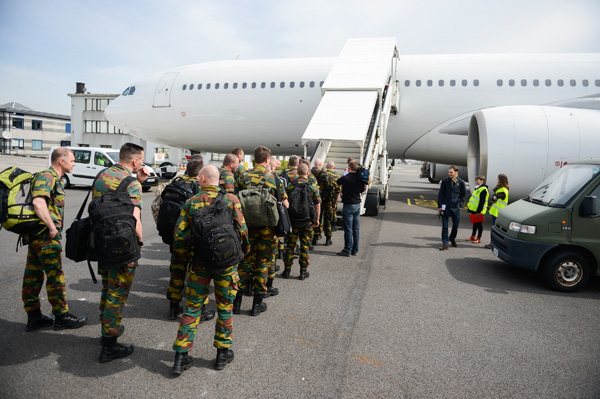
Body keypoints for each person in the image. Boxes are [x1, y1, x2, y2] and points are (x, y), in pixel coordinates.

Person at [171, 165, 250, 374]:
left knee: (193, 307)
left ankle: (181, 357)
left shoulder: (191, 203)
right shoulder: (231, 200)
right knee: (225, 307)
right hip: (226, 265)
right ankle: (222, 355)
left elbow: (179, 237)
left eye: (199, 178)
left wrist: (186, 258)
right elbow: (242, 230)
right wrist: (240, 254)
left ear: (204, 178)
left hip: (199, 264)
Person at [92, 142, 148, 363]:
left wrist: (138, 182)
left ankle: (107, 328)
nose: (142, 164)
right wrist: (140, 243)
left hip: (101, 241)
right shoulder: (132, 184)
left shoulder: (102, 175)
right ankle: (109, 345)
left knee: (108, 287)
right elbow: (134, 219)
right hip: (123, 245)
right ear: (134, 161)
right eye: (141, 160)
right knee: (118, 292)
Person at [23, 148, 88, 332]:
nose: (74, 163)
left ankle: (34, 317)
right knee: (55, 276)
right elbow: (38, 202)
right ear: (61, 161)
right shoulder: (48, 176)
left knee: (33, 275)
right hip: (45, 237)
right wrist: (52, 227)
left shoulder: (52, 178)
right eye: (73, 160)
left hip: (38, 237)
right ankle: (62, 316)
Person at [234, 146, 288, 317]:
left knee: (244, 264)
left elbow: (235, 201)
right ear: (267, 160)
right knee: (263, 264)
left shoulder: (243, 177)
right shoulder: (274, 179)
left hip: (246, 229)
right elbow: (284, 203)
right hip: (267, 231)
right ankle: (257, 305)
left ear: (253, 159)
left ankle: (236, 303)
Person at [165, 159, 215, 323]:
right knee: (198, 277)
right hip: (196, 241)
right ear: (201, 175)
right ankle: (201, 309)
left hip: (177, 236)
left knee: (177, 272)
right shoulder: (198, 189)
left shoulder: (176, 182)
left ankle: (173, 307)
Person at [282, 163, 321, 279]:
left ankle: (287, 270)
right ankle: (303, 272)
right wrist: (317, 219)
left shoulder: (290, 185)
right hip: (307, 221)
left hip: (293, 220)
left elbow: (285, 202)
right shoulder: (313, 186)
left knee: (290, 245)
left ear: (297, 173)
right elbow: (317, 204)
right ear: (307, 173)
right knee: (305, 246)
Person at [151, 154, 204, 223]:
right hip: (185, 230)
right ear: (200, 171)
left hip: (167, 227)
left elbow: (155, 205)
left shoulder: (173, 182)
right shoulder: (200, 186)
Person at [336, 160, 366, 256]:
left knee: (348, 229)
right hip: (357, 205)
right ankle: (355, 250)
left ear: (349, 168)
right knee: (356, 229)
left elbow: (338, 181)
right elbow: (362, 189)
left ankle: (347, 249)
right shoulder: (360, 179)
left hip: (348, 205)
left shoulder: (345, 178)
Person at [437, 165, 467, 251]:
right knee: (445, 226)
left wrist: (460, 204)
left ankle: (452, 238)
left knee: (455, 226)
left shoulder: (461, 182)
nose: (449, 174)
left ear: (456, 172)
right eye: (449, 172)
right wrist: (440, 206)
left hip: (455, 207)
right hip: (445, 206)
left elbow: (464, 195)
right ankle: (445, 243)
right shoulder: (445, 181)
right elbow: (441, 194)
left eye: (451, 172)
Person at [314, 160, 340, 246]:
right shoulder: (336, 176)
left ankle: (316, 238)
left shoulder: (320, 175)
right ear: (334, 167)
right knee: (328, 219)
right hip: (329, 201)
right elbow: (337, 191)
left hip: (319, 200)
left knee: (318, 217)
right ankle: (328, 239)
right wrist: (335, 203)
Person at [485, 174, 510, 249]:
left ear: (501, 179)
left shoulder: (503, 190)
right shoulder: (502, 189)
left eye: (498, 178)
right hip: (496, 212)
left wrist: (493, 198)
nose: (497, 179)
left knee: (495, 230)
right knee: (495, 229)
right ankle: (493, 244)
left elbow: (493, 198)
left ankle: (493, 244)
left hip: (497, 212)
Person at [465, 175, 488, 244]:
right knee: (475, 223)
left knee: (479, 224)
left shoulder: (483, 189)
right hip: (474, 209)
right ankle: (473, 236)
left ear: (482, 181)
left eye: (478, 180)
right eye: (476, 180)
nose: (476, 181)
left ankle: (479, 238)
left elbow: (482, 202)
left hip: (478, 210)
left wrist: (479, 211)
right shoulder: (477, 188)